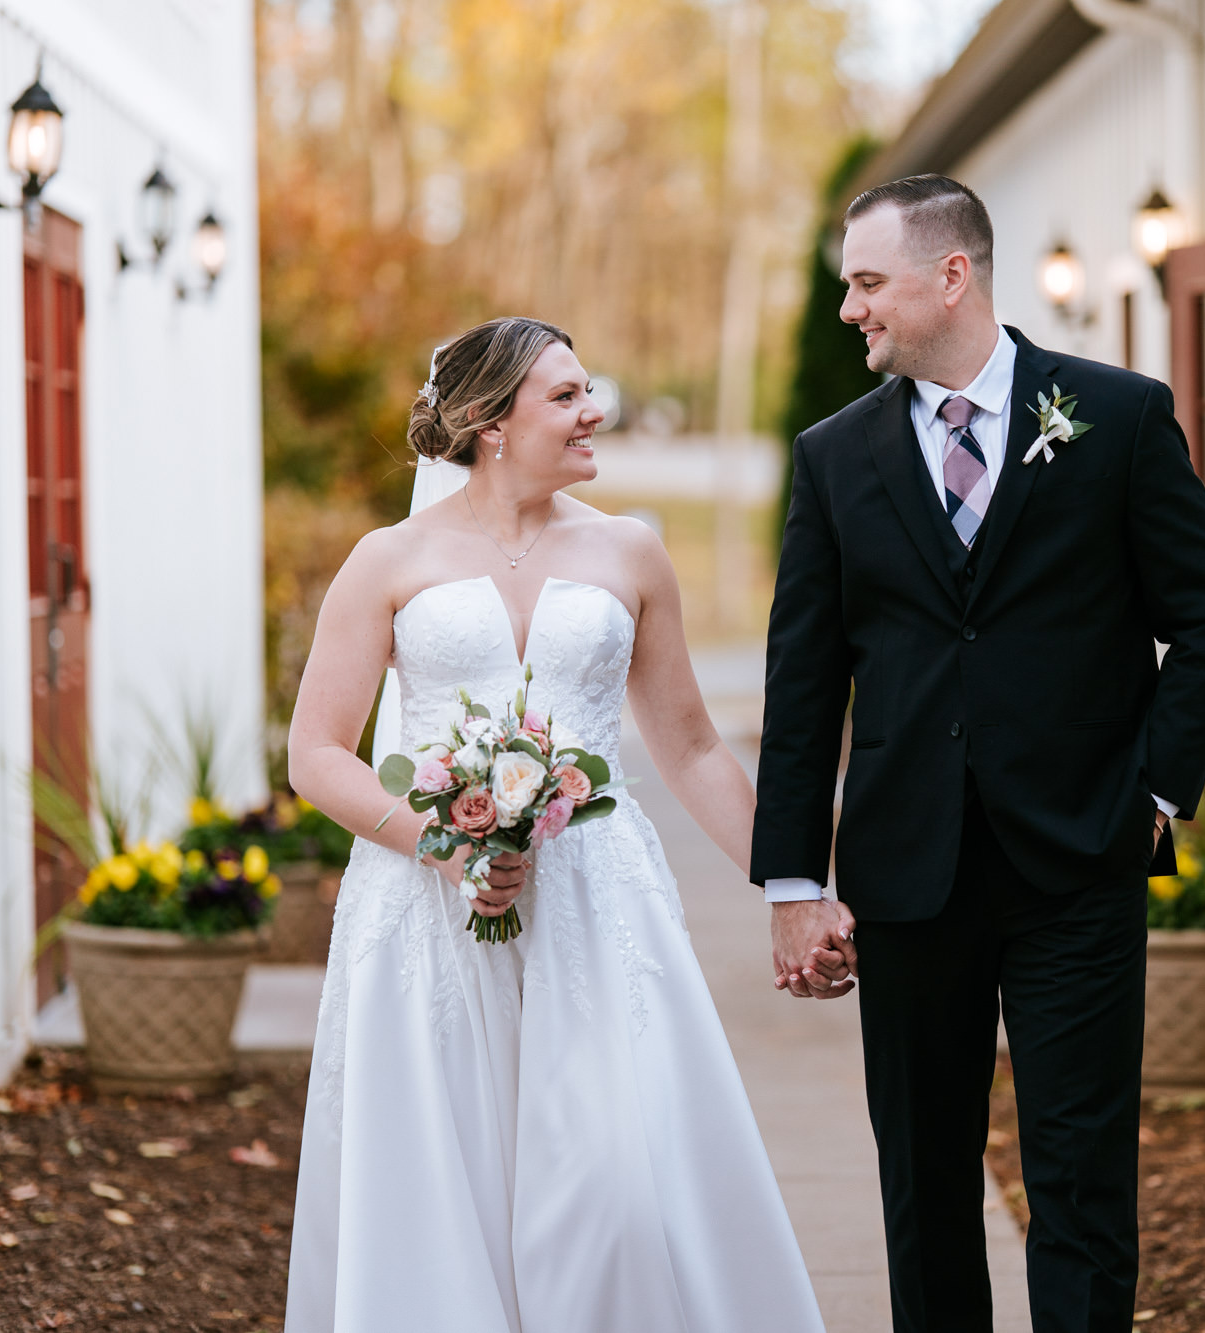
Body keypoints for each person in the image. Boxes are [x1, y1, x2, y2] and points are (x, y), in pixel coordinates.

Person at [753, 175, 1205, 1331]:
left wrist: (1153, 795)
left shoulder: (1116, 417)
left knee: (1080, 1180)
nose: (848, 311)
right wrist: (791, 879)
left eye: (866, 283)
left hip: (1078, 862)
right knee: (924, 1183)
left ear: (950, 276)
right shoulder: (833, 457)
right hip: (907, 872)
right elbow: (804, 676)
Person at [283, 316, 825, 1332]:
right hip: (425, 912)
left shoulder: (629, 550)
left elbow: (694, 748)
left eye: (590, 391)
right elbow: (315, 752)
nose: (595, 411)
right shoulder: (385, 559)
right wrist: (444, 848)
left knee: (616, 1186)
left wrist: (795, 887)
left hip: (595, 902)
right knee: (443, 1194)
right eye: (567, 396)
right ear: (490, 422)